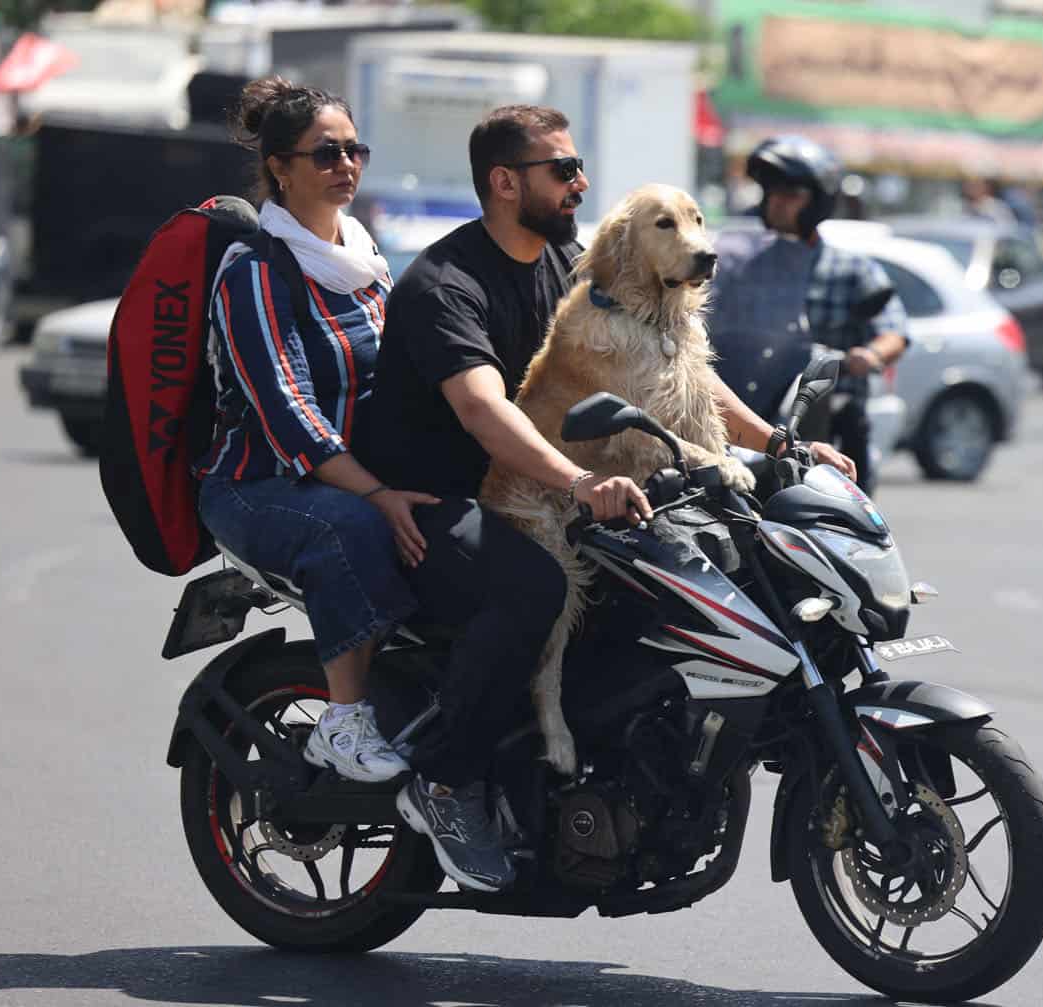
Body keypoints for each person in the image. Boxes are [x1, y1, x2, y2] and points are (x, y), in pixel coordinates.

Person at [359, 107, 857, 893]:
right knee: (535, 588)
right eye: (562, 170)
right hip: (443, 498)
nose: (579, 183)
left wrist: (779, 446)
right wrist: (580, 482)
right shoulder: (443, 283)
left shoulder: (569, 262)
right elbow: (487, 412)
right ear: (504, 181)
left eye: (577, 167)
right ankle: (446, 782)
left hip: (561, 482)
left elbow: (679, 365)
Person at [195, 78, 436, 785]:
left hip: (357, 470)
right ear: (280, 167)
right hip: (259, 483)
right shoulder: (259, 274)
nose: (345, 165)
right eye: (325, 153)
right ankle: (345, 721)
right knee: (352, 528)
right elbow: (289, 415)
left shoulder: (364, 259)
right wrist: (383, 495)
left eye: (353, 149)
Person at [711, 135, 907, 495]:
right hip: (759, 409)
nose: (778, 203)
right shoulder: (743, 264)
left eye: (791, 194)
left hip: (825, 416)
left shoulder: (850, 268)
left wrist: (870, 355)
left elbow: (894, 331)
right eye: (772, 193)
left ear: (818, 202)